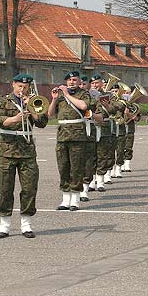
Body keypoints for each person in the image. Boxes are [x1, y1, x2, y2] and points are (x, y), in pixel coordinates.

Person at [0, 73, 48, 238]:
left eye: (25, 87)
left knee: (29, 188)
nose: (22, 89)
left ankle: (26, 224)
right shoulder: (3, 101)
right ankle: (4, 225)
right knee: (4, 188)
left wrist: (31, 107)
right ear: (13, 85)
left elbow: (42, 123)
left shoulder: (33, 100)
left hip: (27, 151)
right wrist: (16, 118)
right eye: (19, 86)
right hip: (6, 150)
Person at [48, 71, 91, 211]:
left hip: (77, 135)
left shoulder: (83, 93)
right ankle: (65, 199)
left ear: (79, 81)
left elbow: (84, 106)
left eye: (74, 80)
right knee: (63, 167)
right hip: (62, 136)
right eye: (70, 80)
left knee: (76, 168)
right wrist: (54, 99)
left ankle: (75, 199)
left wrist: (66, 94)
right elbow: (50, 114)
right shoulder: (59, 96)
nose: (72, 82)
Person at [79, 75, 96, 202]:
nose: (81, 86)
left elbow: (100, 114)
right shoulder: (69, 98)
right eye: (80, 84)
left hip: (88, 132)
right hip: (72, 133)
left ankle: (85, 188)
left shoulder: (93, 98)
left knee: (88, 161)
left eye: (84, 84)